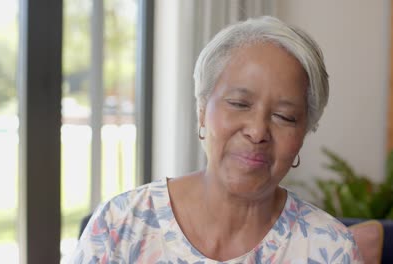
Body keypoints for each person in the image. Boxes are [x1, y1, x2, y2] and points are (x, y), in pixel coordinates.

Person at [71, 16, 363, 263]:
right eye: (239, 103)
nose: (257, 131)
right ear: (201, 111)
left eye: (285, 116)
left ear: (303, 133)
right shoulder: (121, 224)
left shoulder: (331, 250)